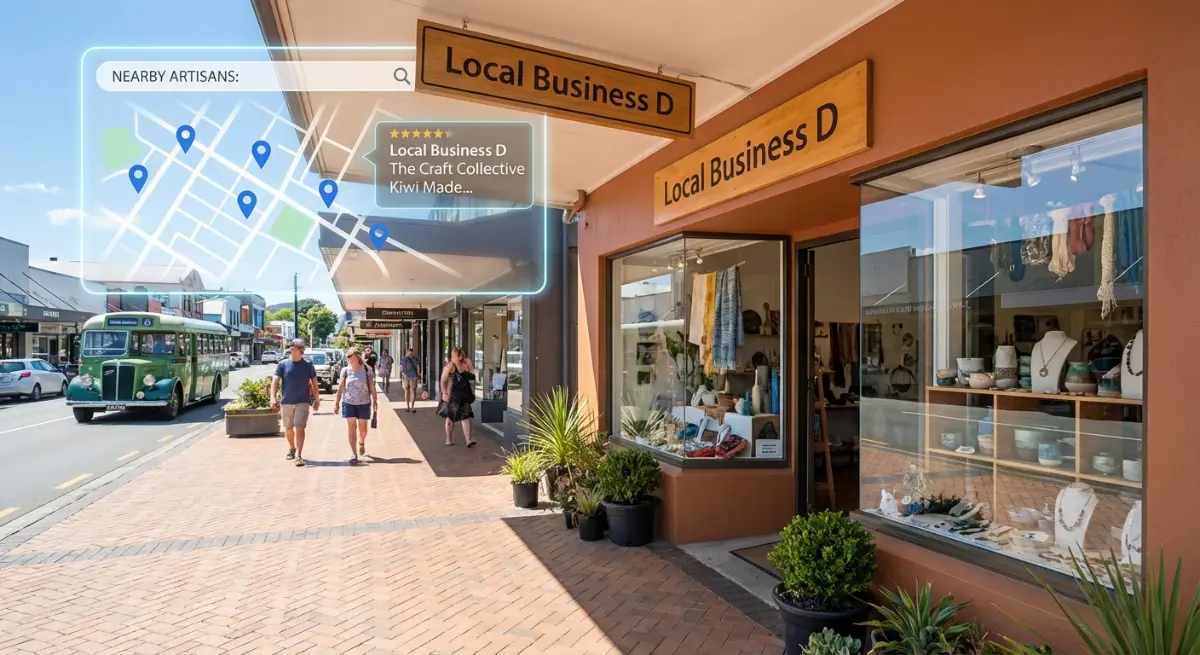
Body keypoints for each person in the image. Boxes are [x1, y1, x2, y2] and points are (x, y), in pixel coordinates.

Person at [270, 339, 320, 467]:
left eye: (294, 348)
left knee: (300, 427)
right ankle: (292, 447)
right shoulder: (283, 364)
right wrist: (273, 398)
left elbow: (314, 382)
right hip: (286, 401)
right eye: (291, 347)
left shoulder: (308, 365)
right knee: (288, 428)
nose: (291, 349)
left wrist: (317, 399)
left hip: (302, 401)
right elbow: (275, 381)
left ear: (301, 351)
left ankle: (299, 455)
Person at [334, 348, 377, 464]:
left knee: (363, 430)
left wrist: (375, 400)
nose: (348, 358)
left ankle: (361, 442)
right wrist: (337, 403)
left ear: (357, 357)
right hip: (348, 402)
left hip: (364, 403)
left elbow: (372, 386)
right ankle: (354, 453)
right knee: (351, 427)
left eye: (350, 356)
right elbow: (341, 386)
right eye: (347, 356)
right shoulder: (345, 370)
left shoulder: (367, 370)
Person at [438, 347, 476, 447]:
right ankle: (448, 439)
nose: (462, 357)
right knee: (450, 417)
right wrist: (444, 393)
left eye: (463, 356)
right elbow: (442, 381)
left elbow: (473, 377)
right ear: (456, 356)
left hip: (464, 395)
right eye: (460, 356)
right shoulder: (449, 367)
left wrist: (470, 366)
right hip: (452, 396)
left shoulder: (464, 366)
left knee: (466, 416)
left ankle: (468, 440)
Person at [398, 348, 421, 413]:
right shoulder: (416, 359)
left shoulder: (403, 359)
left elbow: (401, 369)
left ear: (407, 352)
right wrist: (418, 376)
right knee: (413, 391)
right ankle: (412, 407)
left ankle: (408, 407)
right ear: (412, 352)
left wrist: (403, 375)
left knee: (407, 391)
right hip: (413, 376)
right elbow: (418, 368)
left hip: (406, 376)